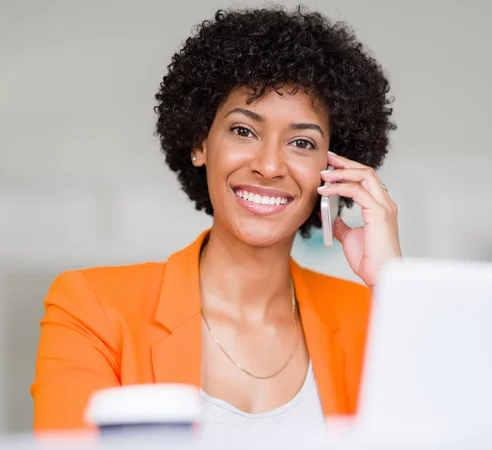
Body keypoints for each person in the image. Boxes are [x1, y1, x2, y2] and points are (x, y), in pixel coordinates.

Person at [31, 6, 400, 435]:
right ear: (199, 143)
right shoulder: (91, 308)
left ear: (333, 170)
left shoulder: (371, 318)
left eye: (301, 142)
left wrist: (392, 283)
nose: (268, 165)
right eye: (244, 131)